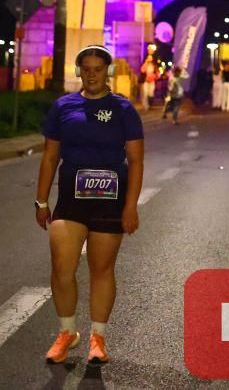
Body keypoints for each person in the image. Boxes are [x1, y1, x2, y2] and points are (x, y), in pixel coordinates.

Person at [36, 45, 144, 365]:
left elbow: (136, 161)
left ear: (107, 72)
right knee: (61, 267)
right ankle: (67, 332)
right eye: (86, 69)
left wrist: (131, 206)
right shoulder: (63, 107)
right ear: (78, 71)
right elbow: (50, 156)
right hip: (71, 200)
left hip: (110, 202)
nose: (92, 74)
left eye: (98, 69)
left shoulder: (124, 109)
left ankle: (98, 338)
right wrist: (41, 201)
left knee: (101, 269)